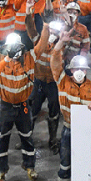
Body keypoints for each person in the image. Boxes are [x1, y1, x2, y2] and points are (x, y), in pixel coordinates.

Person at [51, 32, 91, 181]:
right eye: (77, 69)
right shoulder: (63, 81)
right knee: (65, 162)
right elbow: (54, 60)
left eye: (83, 70)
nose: (80, 73)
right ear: (71, 70)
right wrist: (60, 42)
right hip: (68, 129)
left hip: (87, 131)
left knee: (90, 161)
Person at [0, 32, 39, 181]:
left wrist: (47, 27)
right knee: (3, 138)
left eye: (17, 47)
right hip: (6, 106)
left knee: (27, 136)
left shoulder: (29, 58)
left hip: (23, 106)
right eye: (11, 47)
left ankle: (30, 166)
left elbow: (41, 47)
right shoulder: (0, 59)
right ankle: (1, 170)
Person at [26, 9, 65, 153]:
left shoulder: (62, 46)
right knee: (33, 111)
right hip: (38, 82)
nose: (52, 34)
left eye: (56, 32)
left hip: (53, 84)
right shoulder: (39, 41)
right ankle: (27, 139)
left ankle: (53, 140)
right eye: (51, 31)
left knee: (54, 113)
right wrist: (28, 14)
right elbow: (30, 29)